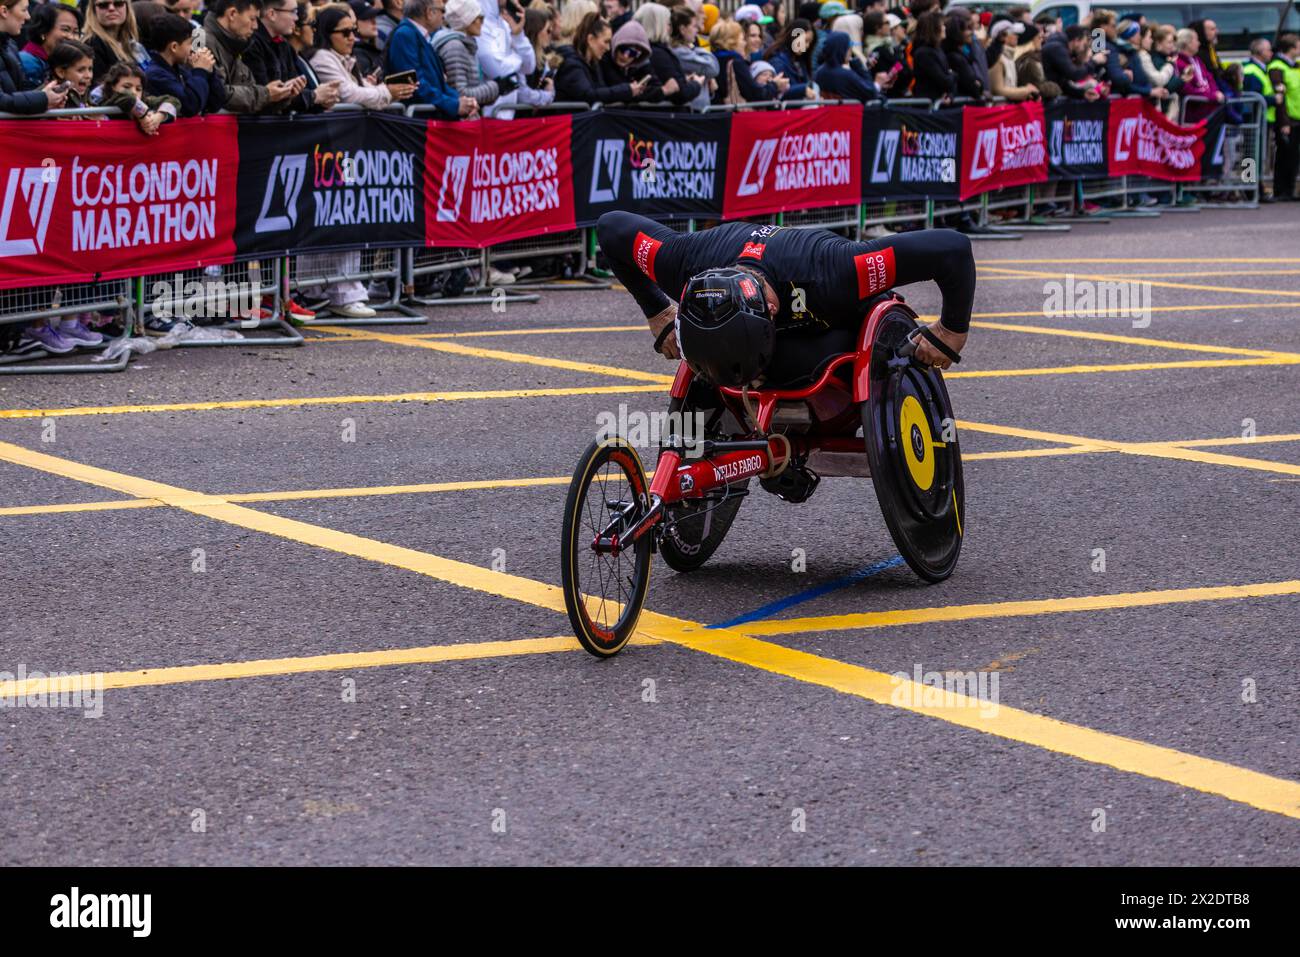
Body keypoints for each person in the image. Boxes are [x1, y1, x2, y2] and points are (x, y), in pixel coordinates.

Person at [594, 211, 974, 379]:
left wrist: (951, 332)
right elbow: (611, 228)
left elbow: (951, 249)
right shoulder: (684, 265)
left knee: (805, 364)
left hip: (829, 316)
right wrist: (659, 313)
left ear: (772, 309)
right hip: (733, 308)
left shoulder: (838, 269)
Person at [385, 0, 477, 118]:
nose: (444, 16)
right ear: (429, 13)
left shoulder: (419, 35)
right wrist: (454, 105)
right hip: (418, 124)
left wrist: (461, 100)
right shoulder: (405, 35)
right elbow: (415, 85)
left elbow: (438, 84)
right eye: (442, 10)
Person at [245, 0, 340, 111]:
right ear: (272, 14)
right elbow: (266, 96)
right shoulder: (252, 44)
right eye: (293, 12)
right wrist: (314, 96)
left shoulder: (284, 45)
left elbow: (296, 93)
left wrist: (323, 101)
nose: (296, 18)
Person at [475, 0, 552, 117]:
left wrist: (518, 35)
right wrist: (516, 60)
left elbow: (529, 66)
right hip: (487, 115)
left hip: (508, 115)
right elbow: (496, 70)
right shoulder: (480, 25)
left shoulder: (505, 24)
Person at [143, 10, 226, 114]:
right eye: (190, 43)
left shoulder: (181, 69)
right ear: (174, 47)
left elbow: (214, 103)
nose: (193, 49)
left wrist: (209, 71)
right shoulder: (156, 75)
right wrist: (200, 71)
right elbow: (190, 105)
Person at [554, 9, 642, 103]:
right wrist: (625, 90)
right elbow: (588, 95)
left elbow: (601, 92)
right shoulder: (571, 64)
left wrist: (628, 90)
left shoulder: (593, 63)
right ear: (591, 39)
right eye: (606, 42)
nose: (608, 48)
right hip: (572, 117)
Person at [434, 0, 508, 108]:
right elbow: (460, 94)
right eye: (480, 18)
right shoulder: (454, 47)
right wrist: (496, 87)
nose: (483, 22)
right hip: (459, 122)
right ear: (467, 20)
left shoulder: (466, 43)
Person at [1, 0, 67, 114]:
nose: (28, 16)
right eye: (24, 10)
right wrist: (43, 99)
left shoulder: (10, 45)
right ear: (4, 11)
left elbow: (17, 93)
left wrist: (48, 95)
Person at [636, 1, 701, 107]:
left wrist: (683, 81)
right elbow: (680, 93)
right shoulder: (657, 53)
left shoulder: (645, 49)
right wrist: (697, 84)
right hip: (664, 116)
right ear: (658, 25)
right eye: (668, 24)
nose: (670, 29)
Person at [714, 18, 785, 102]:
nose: (758, 40)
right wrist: (775, 85)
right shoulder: (736, 62)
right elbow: (756, 94)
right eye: (752, 36)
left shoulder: (716, 58)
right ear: (732, 41)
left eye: (759, 36)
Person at [95, 60, 178, 132]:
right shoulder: (109, 101)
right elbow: (128, 99)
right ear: (113, 86)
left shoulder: (144, 100)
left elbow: (174, 101)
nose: (133, 92)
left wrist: (157, 118)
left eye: (138, 89)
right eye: (127, 87)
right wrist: (143, 116)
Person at [82, 0, 148, 82]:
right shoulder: (91, 43)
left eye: (118, 3)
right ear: (93, 10)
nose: (111, 8)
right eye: (103, 5)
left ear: (127, 7)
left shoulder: (132, 42)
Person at [18, 1, 79, 86]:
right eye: (65, 29)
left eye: (76, 32)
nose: (71, 37)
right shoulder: (28, 62)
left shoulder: (59, 62)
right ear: (43, 30)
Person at [1269, 34, 1300, 201]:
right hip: (1285, 119)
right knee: (1283, 156)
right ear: (1292, 48)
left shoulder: (1295, 65)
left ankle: (1289, 190)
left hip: (1296, 117)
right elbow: (1279, 97)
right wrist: (1284, 122)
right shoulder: (1277, 66)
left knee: (1293, 157)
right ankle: (1279, 191)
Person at [668, 2, 715, 110]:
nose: (697, 29)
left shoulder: (685, 49)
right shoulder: (680, 52)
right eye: (693, 26)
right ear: (683, 29)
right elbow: (713, 68)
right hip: (691, 110)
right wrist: (695, 48)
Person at [1042, 23, 1100, 100]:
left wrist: (1082, 93)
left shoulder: (1059, 47)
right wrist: (1094, 62)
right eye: (1083, 43)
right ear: (1076, 41)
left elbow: (1062, 82)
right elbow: (1074, 74)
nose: (1083, 48)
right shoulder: (1057, 48)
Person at [909, 9, 954, 102]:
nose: (944, 28)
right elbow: (943, 80)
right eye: (942, 25)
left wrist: (949, 94)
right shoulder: (924, 53)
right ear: (933, 28)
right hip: (928, 106)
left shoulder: (937, 49)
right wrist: (953, 75)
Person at [763, 17, 813, 99]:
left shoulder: (799, 60)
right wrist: (803, 90)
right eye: (805, 40)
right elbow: (779, 93)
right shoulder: (778, 61)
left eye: (809, 42)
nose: (807, 46)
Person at [347, 0, 382, 75]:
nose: (374, 22)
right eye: (367, 18)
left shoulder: (370, 48)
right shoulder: (358, 55)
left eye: (374, 17)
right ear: (353, 23)